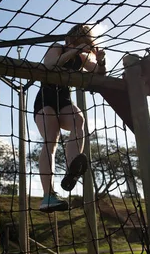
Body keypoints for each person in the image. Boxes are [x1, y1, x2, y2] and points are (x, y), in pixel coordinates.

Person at [34, 24, 106, 212]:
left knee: (78, 120)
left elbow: (98, 72)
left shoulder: (80, 58)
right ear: (72, 40)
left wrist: (101, 61)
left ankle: (72, 167)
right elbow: (49, 65)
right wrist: (73, 50)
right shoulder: (58, 48)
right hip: (45, 100)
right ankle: (48, 195)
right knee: (51, 139)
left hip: (64, 100)